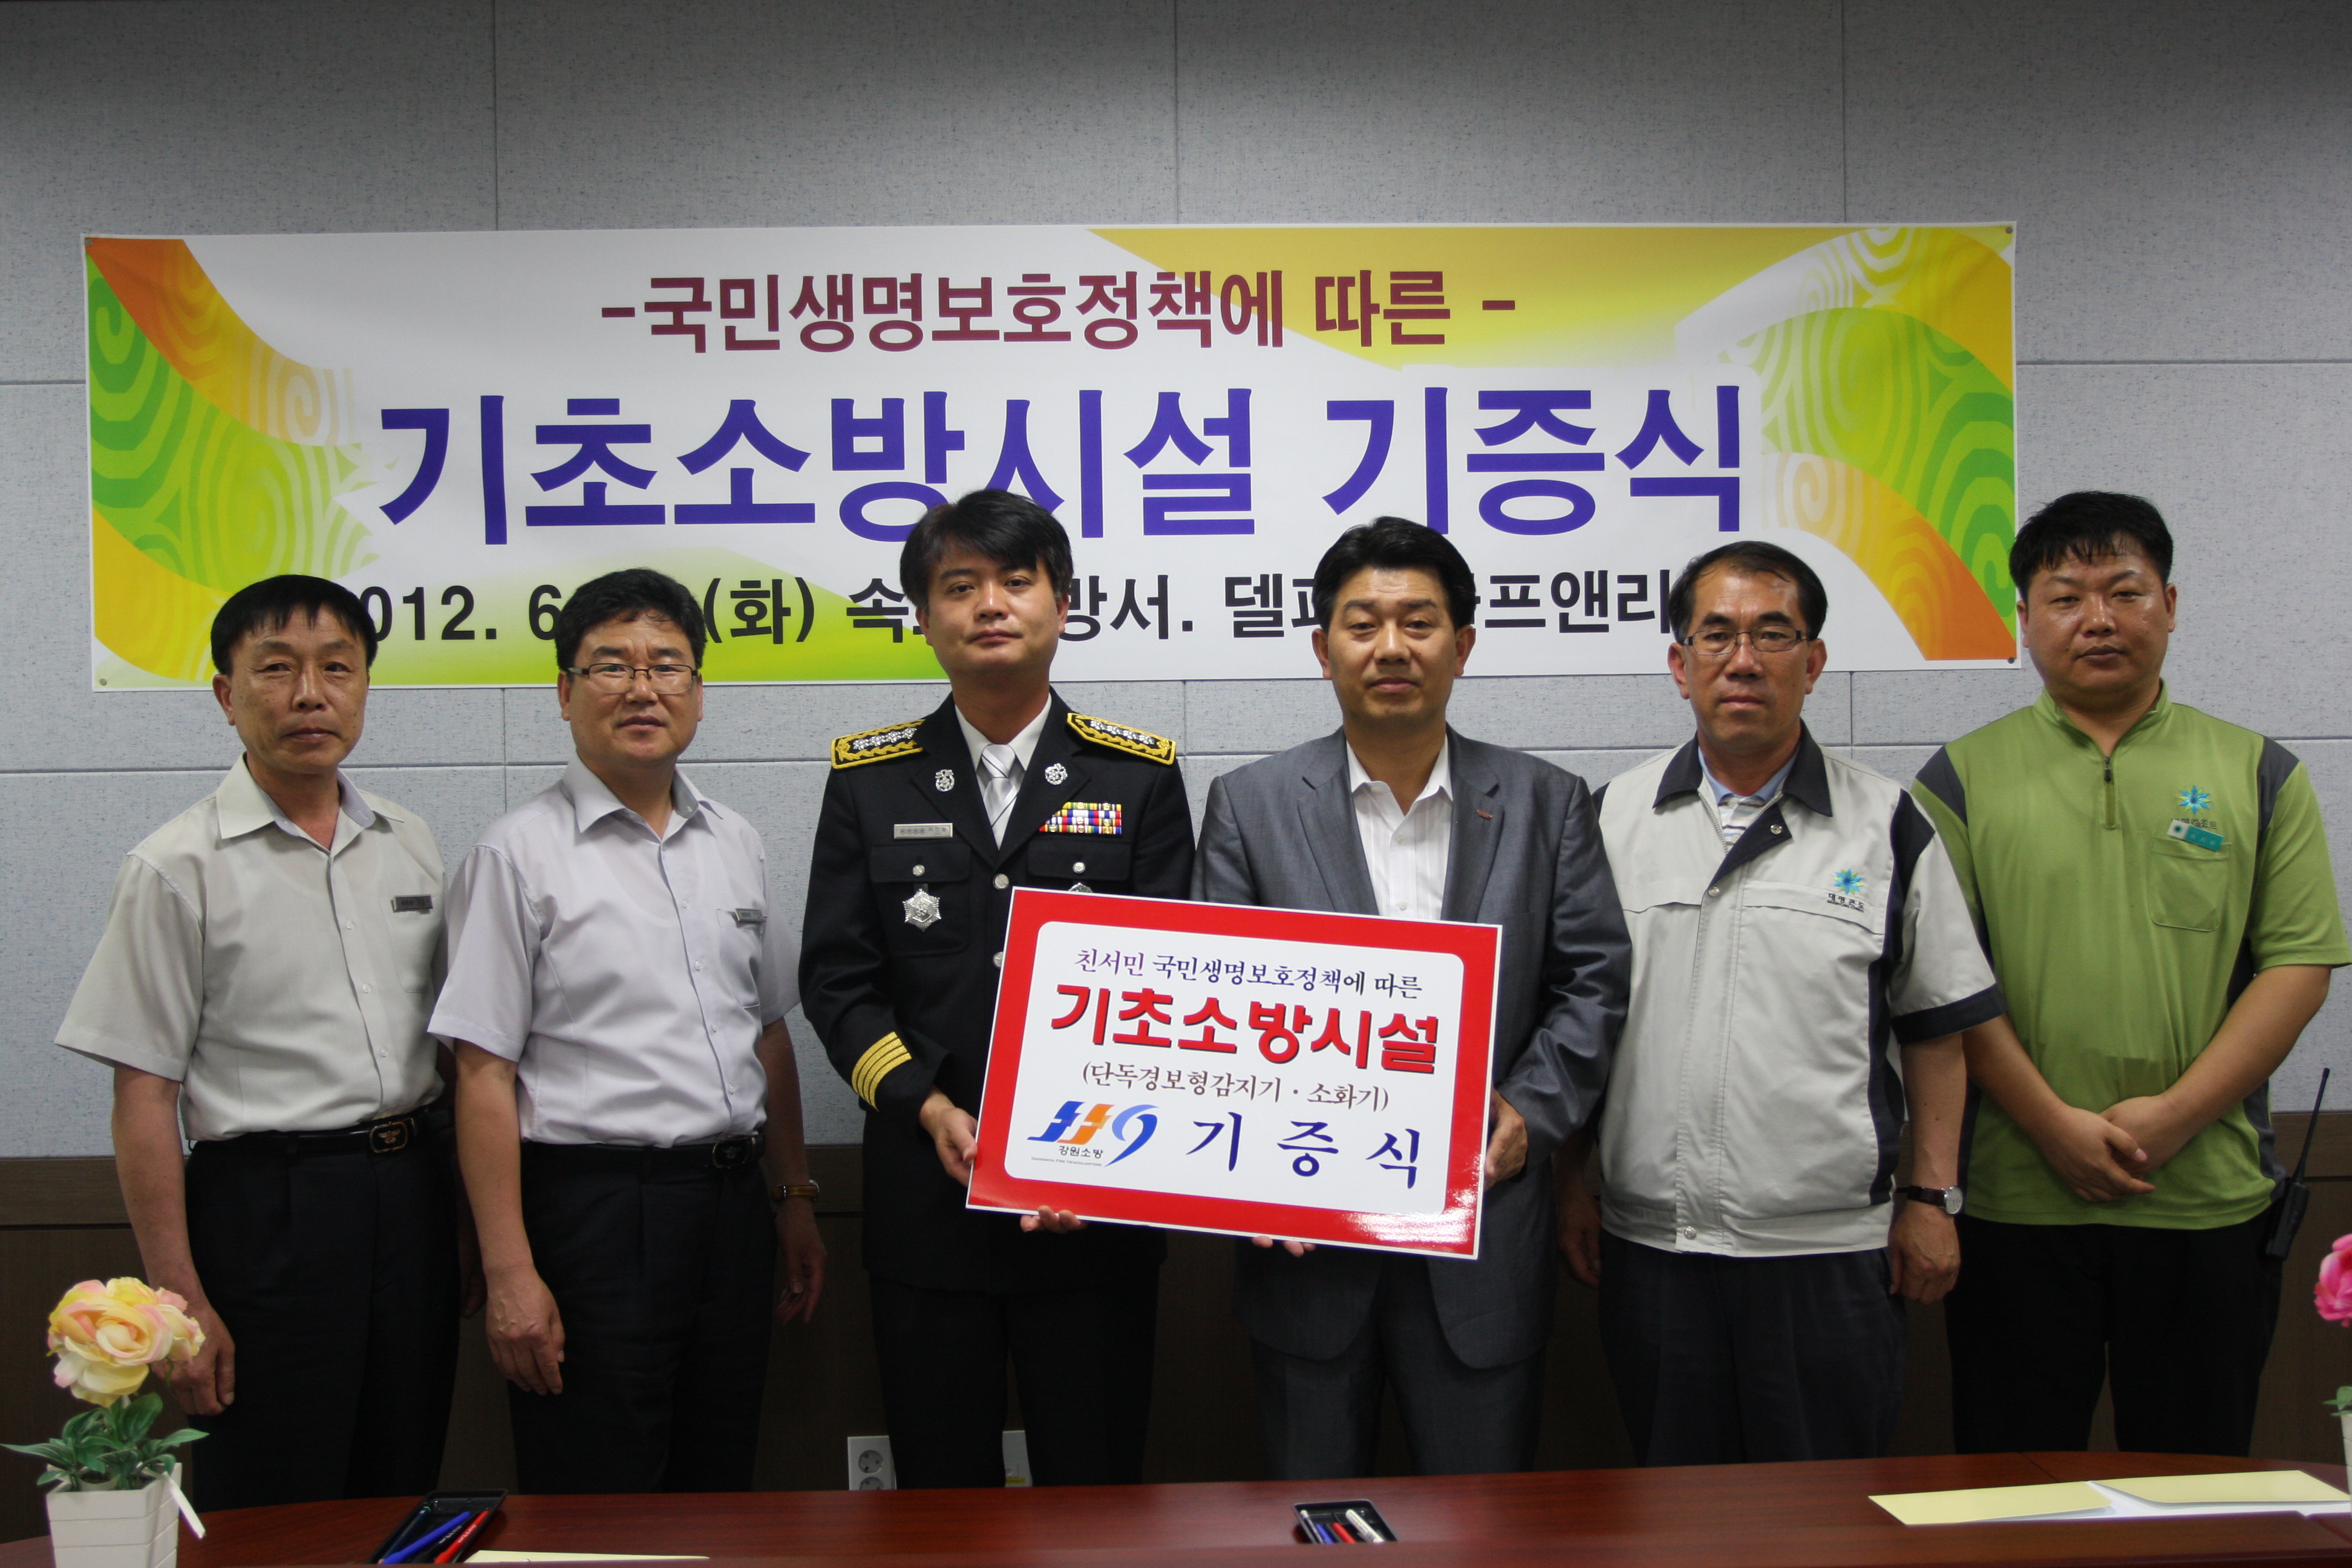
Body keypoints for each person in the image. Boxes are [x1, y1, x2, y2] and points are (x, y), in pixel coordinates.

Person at [1912, 491, 2348, 1455]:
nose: (2098, 619)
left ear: (2171, 605)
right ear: (2024, 619)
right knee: (2015, 1490)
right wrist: (2051, 1125)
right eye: (2066, 597)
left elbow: (2298, 965)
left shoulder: (2259, 771)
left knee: (2197, 1486)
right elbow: (1944, 984)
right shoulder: (1958, 781)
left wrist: (2177, 1116)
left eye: (2125, 591)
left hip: (2208, 1198)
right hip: (2016, 1201)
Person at [1192, 516, 1628, 1479]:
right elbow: (1216, 1008)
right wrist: (1251, 1164)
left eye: (1419, 622)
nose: (1391, 647)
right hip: (1306, 1247)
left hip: (1481, 1237)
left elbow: (1594, 982)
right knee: (1315, 1527)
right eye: (1363, 624)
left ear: (1462, 646)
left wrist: (1528, 1115)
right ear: (1323, 649)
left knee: (1480, 1529)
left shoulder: (1547, 801)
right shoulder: (1250, 806)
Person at [1555, 540, 2004, 1465]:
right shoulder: (1609, 819)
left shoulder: (1888, 824)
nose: (1744, 660)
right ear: (1679, 663)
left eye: (1772, 634)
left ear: (1815, 660)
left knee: (1826, 1516)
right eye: (1716, 635)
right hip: (1656, 1251)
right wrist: (1569, 1184)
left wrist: (1931, 1198)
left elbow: (1936, 1030)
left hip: (1830, 1256)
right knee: (1675, 1513)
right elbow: (1575, 1020)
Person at [800, 489, 1195, 1489]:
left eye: (1017, 581)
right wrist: (927, 1103)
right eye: (959, 586)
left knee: (1098, 1498)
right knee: (941, 1506)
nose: (989, 605)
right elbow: (838, 982)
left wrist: (1085, 1154)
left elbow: (1172, 989)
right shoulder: (869, 781)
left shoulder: (1139, 778)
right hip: (927, 1211)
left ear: (1063, 604)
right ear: (922, 617)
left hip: (1098, 1214)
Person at [56, 576, 464, 1510]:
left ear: (365, 685)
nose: (310, 695)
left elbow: (444, 1055)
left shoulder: (409, 841)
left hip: (412, 1195)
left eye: (337, 668)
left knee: (402, 1475)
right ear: (225, 693)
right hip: (267, 1210)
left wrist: (466, 1225)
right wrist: (177, 1298)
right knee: (278, 1496)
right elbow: (144, 1096)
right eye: (276, 670)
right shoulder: (175, 866)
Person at [433, 568, 824, 1494]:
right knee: (597, 1495)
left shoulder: (734, 840)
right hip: (593, 1214)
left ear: (699, 691)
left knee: (718, 1480)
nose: (642, 689)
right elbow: (480, 1073)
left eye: (667, 666)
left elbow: (769, 1032)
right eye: (611, 666)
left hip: (731, 1210)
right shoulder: (514, 854)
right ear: (565, 691)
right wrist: (509, 1270)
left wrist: (793, 1197)